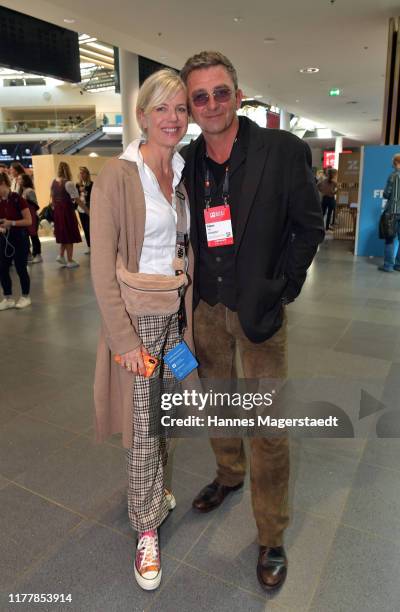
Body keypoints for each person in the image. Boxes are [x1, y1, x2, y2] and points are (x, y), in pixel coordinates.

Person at [180, 51, 324, 592]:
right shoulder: (188, 161)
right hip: (207, 309)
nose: (212, 103)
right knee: (218, 402)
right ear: (192, 107)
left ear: (238, 96)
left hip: (260, 309)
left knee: (268, 427)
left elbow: (308, 226)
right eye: (201, 96)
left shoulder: (283, 151)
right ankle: (227, 475)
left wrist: (282, 288)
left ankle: (271, 533)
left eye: (221, 92)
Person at [91, 69, 193, 591]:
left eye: (180, 108)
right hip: (138, 324)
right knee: (143, 432)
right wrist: (124, 341)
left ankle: (154, 494)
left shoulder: (178, 171)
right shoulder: (117, 174)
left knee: (169, 416)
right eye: (162, 109)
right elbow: (101, 265)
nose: (173, 118)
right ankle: (145, 530)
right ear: (143, 116)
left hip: (174, 321)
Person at [0, 171, 32, 310]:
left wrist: (11, 223)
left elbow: (28, 221)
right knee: (2, 268)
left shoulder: (18, 199)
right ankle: (8, 297)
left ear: (3, 184)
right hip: (4, 239)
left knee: (20, 268)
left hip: (20, 238)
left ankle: (25, 296)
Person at [50, 162, 81, 268]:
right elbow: (77, 199)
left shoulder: (53, 182)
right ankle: (70, 260)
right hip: (67, 211)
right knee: (69, 234)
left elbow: (52, 198)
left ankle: (61, 255)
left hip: (58, 212)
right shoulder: (68, 183)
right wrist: (88, 211)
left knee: (64, 234)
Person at [379, 152, 400, 272]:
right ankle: (398, 265)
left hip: (392, 211)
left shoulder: (393, 176)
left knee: (390, 239)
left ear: (396, 162)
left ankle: (388, 265)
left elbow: (386, 194)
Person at [18, 173, 42, 264]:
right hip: (25, 217)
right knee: (27, 236)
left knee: (34, 236)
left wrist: (25, 201)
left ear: (25, 180)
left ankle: (38, 254)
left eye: (20, 179)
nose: (18, 181)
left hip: (32, 216)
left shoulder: (29, 191)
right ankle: (30, 254)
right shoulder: (21, 191)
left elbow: (35, 204)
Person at [76, 166, 92, 253]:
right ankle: (89, 246)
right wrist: (79, 191)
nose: (81, 175)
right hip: (80, 209)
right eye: (80, 173)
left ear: (87, 174)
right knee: (85, 229)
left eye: (83, 173)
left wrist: (85, 191)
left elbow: (92, 196)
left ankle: (94, 245)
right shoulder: (77, 185)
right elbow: (75, 197)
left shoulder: (91, 184)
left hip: (89, 208)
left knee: (90, 227)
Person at [318, 167, 337, 231]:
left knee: (322, 213)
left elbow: (317, 186)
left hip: (324, 198)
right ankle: (327, 227)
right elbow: (335, 191)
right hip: (331, 199)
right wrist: (334, 192)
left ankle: (320, 226)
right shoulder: (334, 182)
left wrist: (322, 191)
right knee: (329, 214)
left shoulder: (324, 181)